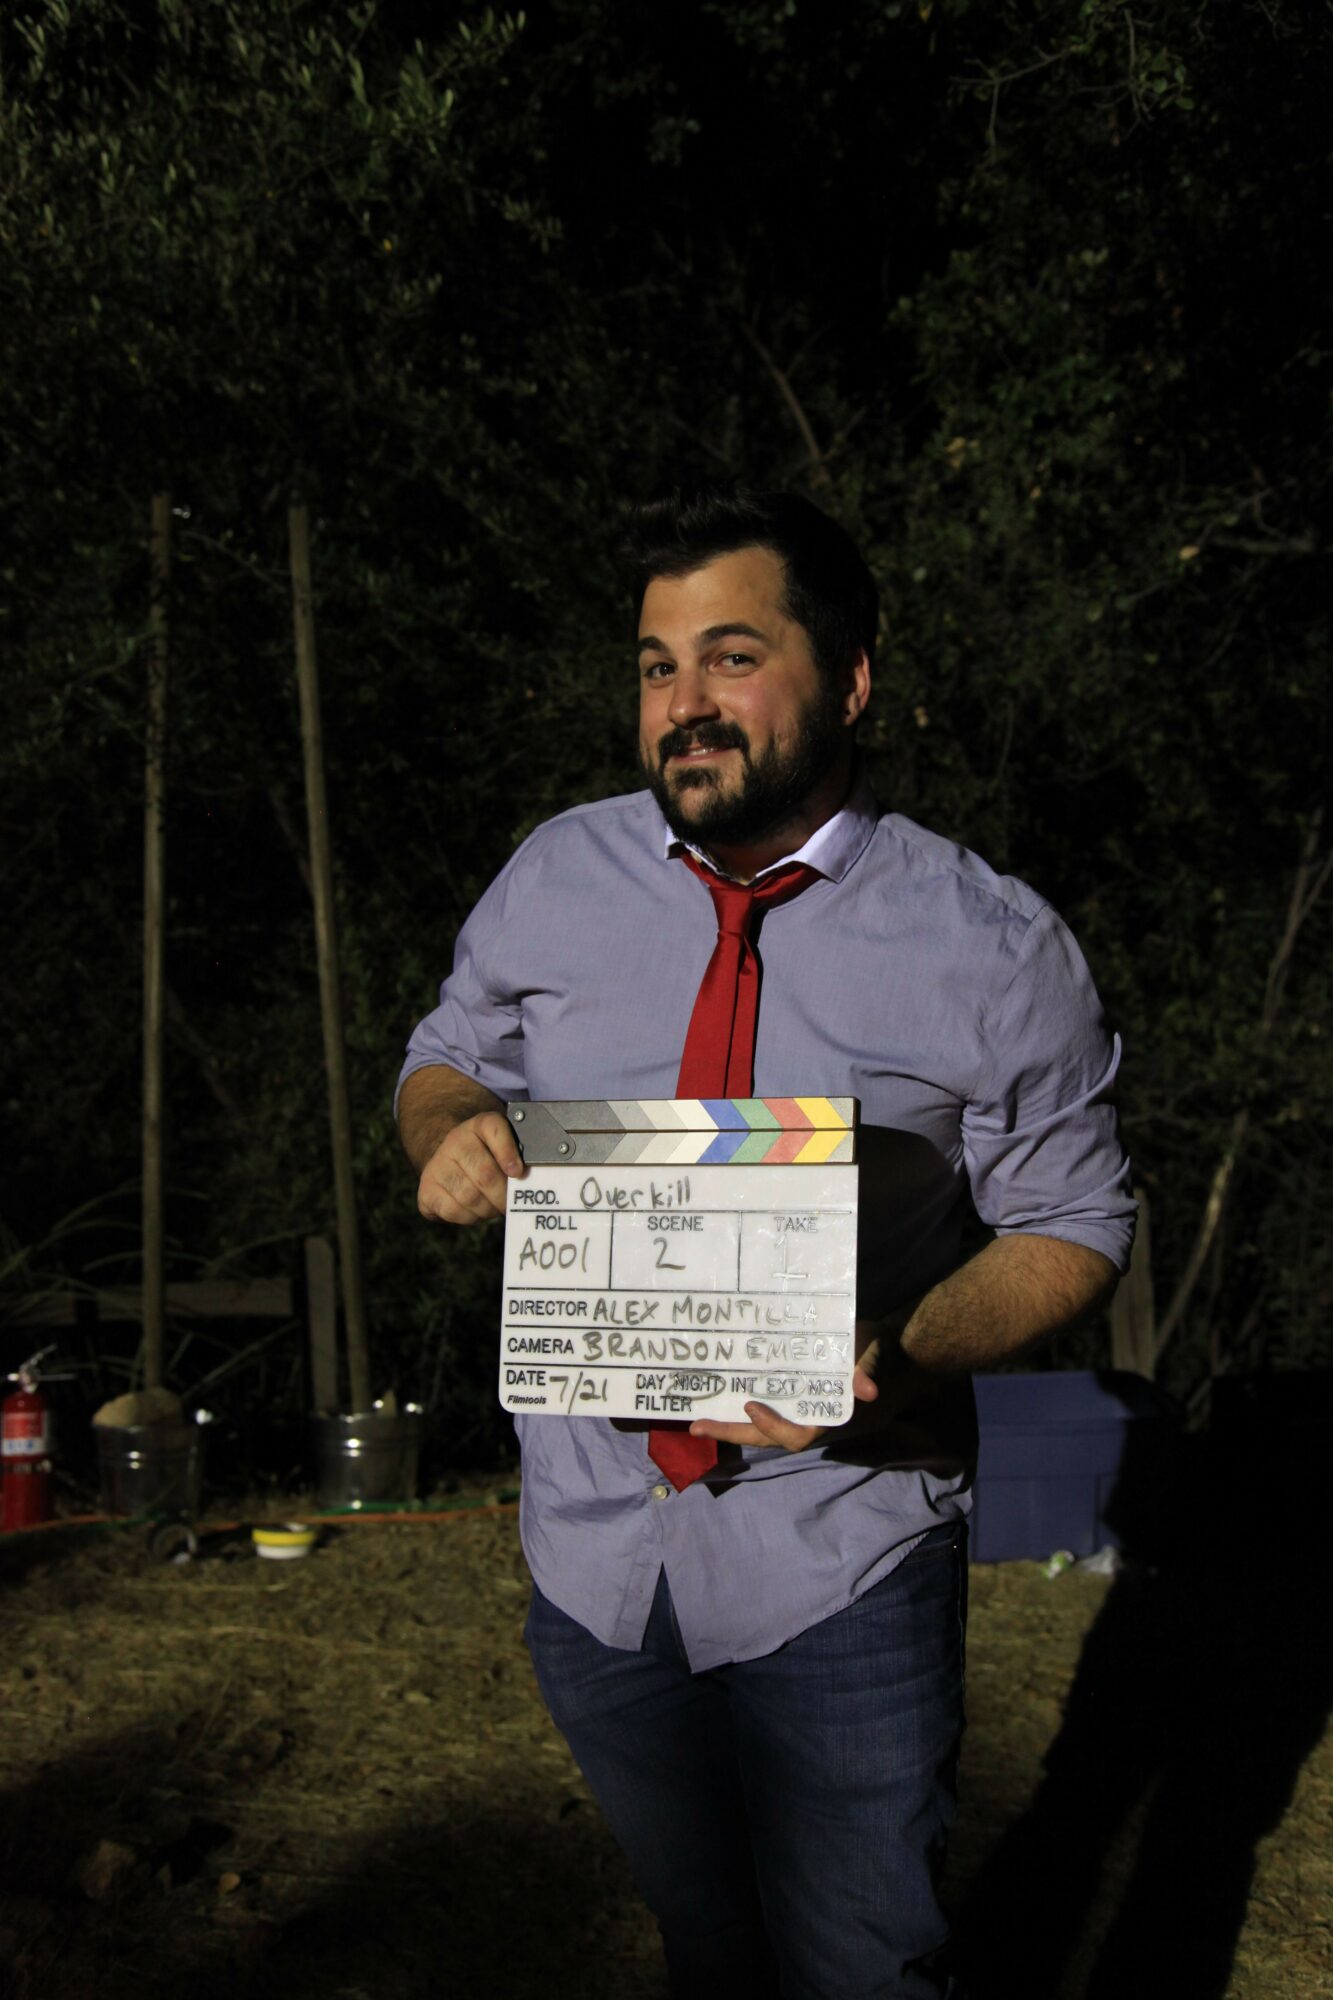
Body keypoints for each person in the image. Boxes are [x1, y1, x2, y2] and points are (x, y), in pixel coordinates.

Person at [396, 489, 1135, 1999]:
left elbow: (1075, 1226)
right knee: (706, 1952)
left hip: (837, 1552)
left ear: (848, 681)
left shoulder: (992, 946)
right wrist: (449, 1129)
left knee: (863, 1968)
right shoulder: (556, 875)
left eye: (731, 659)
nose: (684, 704)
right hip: (594, 1552)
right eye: (656, 666)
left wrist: (897, 1354)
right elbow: (445, 1055)